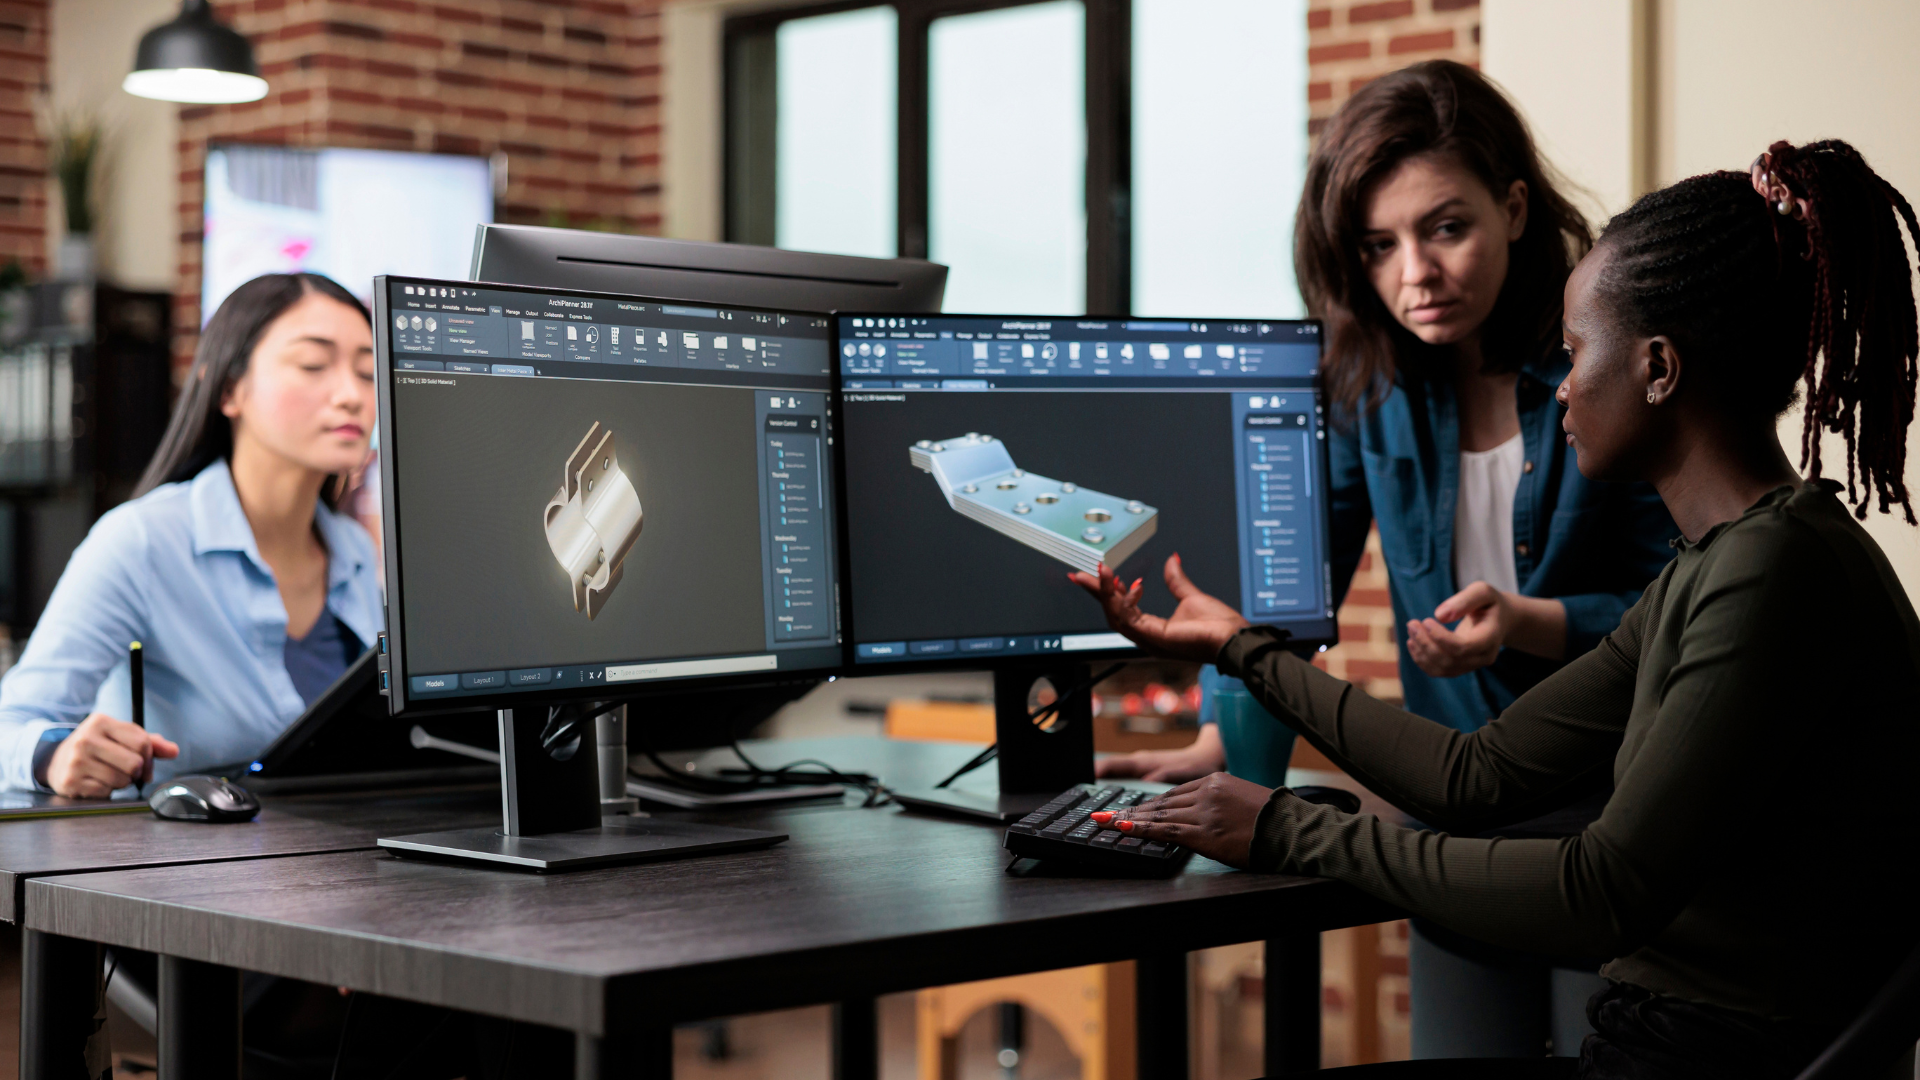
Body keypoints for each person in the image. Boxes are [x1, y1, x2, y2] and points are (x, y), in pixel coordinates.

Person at [1074, 138, 1920, 1079]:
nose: (1561, 386)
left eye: (1576, 351)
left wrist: (1288, 829)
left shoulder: (1775, 573)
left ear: (1659, 369)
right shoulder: (1723, 562)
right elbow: (1478, 773)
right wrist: (1242, 648)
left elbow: (1603, 889)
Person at [1099, 59, 1678, 1057]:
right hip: (1455, 833)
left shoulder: (1605, 363)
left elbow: (1686, 604)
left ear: (1514, 206)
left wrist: (1537, 622)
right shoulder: (1370, 386)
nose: (1415, 271)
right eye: (1379, 245)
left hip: (1613, 822)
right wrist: (1223, 733)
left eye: (1444, 227)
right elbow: (1292, 592)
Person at [0, 272, 382, 795]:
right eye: (314, 364)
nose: (351, 395)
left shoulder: (355, 552)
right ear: (229, 389)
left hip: (343, 860)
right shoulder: (143, 541)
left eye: (367, 371)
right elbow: (11, 723)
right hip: (184, 869)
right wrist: (53, 753)